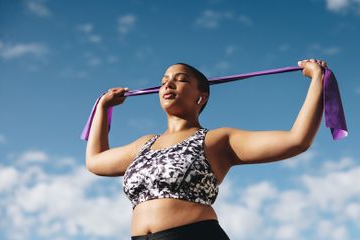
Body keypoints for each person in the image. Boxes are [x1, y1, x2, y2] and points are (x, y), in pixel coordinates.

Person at [85, 58, 328, 240]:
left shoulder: (216, 140)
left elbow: (297, 140)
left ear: (201, 97)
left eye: (180, 79)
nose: (168, 83)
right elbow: (95, 161)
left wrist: (317, 78)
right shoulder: (144, 144)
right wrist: (103, 108)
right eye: (163, 82)